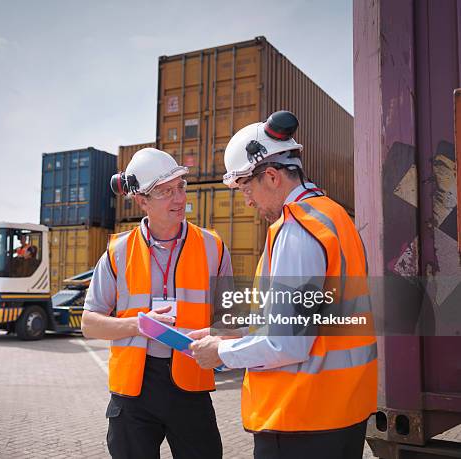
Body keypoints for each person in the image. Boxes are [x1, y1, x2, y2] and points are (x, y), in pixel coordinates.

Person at [190, 111, 377, 459]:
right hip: (341, 410)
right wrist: (236, 333)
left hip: (301, 419)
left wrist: (220, 353)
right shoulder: (334, 216)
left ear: (272, 176)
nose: (246, 200)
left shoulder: (297, 231)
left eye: (246, 187)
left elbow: (287, 344)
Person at [81, 147, 232, 459]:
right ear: (142, 200)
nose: (179, 199)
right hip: (134, 392)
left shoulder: (213, 248)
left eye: (180, 187)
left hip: (190, 384)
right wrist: (139, 324)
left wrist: (213, 337)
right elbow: (89, 323)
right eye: (165, 192)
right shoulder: (117, 252)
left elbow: (228, 319)